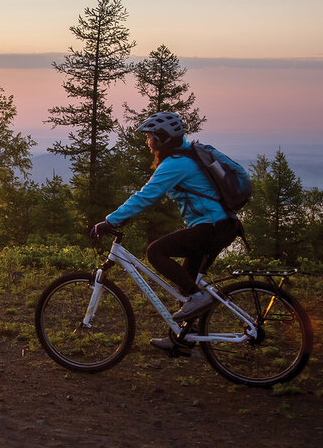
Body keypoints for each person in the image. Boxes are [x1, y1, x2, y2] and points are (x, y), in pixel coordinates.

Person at [91, 111, 239, 353]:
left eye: (150, 137)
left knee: (155, 252)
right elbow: (149, 194)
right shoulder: (186, 156)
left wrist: (110, 221)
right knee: (186, 284)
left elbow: (146, 196)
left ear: (162, 138)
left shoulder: (176, 164)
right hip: (219, 226)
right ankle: (183, 340)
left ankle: (198, 300)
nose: (148, 143)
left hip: (213, 227)